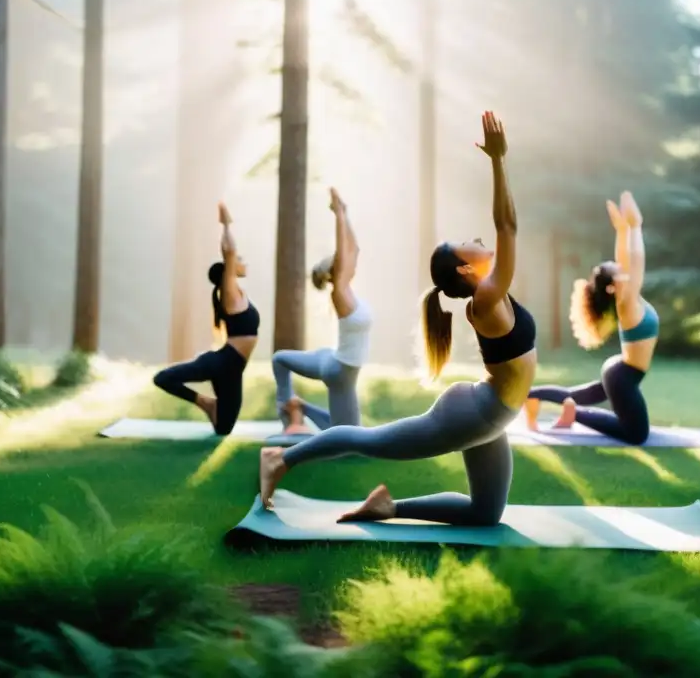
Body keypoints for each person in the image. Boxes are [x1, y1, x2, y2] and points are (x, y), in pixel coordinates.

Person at [258, 111, 536, 525]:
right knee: (369, 440)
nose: (477, 240)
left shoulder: (492, 293)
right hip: (475, 414)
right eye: (466, 244)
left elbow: (505, 229)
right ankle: (281, 459)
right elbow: (507, 225)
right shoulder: (485, 299)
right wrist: (498, 160)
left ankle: (388, 507)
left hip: (492, 416)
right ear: (464, 270)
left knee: (485, 513)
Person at [524, 191, 655, 445]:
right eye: (619, 273)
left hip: (620, 370)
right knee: (636, 434)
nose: (625, 271)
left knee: (576, 393)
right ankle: (576, 413)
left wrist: (621, 230)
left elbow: (626, 260)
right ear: (611, 287)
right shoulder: (627, 302)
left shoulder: (626, 298)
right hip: (623, 377)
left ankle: (531, 394)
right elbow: (636, 260)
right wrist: (635, 226)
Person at [152, 202, 259, 435]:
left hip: (233, 368)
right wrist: (227, 224)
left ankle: (213, 406)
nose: (243, 261)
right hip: (222, 363)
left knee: (224, 428)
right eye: (239, 259)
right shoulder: (229, 293)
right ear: (228, 272)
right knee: (163, 378)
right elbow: (229, 251)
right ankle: (206, 403)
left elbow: (231, 257)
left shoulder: (238, 293)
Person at [271, 188, 371, 435]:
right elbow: (345, 251)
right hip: (340, 373)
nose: (351, 263)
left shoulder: (347, 292)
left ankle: (299, 406)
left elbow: (354, 249)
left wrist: (344, 214)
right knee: (349, 438)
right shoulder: (339, 293)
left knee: (280, 358)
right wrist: (337, 215)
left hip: (333, 359)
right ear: (337, 271)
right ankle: (289, 418)